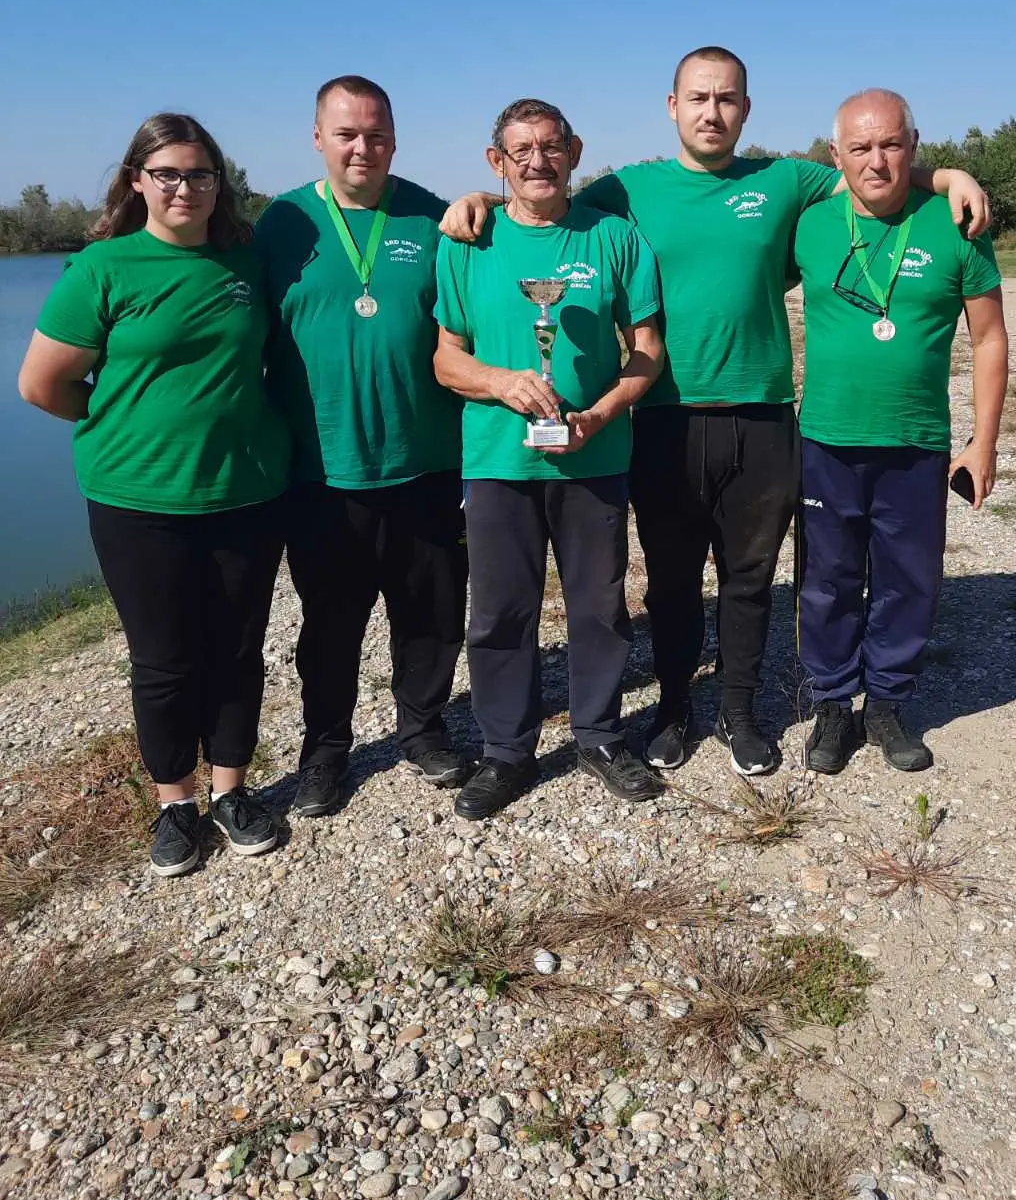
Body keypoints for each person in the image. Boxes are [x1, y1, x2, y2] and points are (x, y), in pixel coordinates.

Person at [441, 49, 990, 778]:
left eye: (727, 99)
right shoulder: (625, 192)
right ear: (672, 106)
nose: (712, 112)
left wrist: (948, 174)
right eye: (698, 98)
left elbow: (873, 172)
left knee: (750, 577)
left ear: (746, 109)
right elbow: (541, 201)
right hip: (666, 414)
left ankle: (740, 712)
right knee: (670, 578)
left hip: (762, 414)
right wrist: (474, 198)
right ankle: (673, 708)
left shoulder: (785, 180)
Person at [18, 114, 290, 877]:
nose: (183, 188)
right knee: (165, 661)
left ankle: (232, 791)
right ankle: (176, 805)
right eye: (166, 173)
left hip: (246, 490)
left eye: (199, 174)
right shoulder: (103, 267)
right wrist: (120, 425)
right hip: (138, 501)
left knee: (239, 651)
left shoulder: (244, 264)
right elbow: (42, 385)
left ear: (218, 186)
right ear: (136, 180)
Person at [433, 98, 665, 820]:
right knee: (501, 612)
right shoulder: (469, 241)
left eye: (552, 146)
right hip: (499, 462)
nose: (539, 160)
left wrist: (598, 413)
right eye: (521, 150)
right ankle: (506, 752)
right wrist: (502, 383)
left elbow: (649, 352)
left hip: (593, 459)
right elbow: (445, 361)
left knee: (599, 607)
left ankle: (598, 736)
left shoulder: (616, 239)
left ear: (574, 150)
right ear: (496, 163)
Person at [254, 76, 468, 817]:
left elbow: (499, 259)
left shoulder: (433, 216)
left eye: (376, 134)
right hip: (321, 469)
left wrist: (491, 201)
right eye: (346, 133)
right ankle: (325, 751)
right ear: (318, 138)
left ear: (394, 141)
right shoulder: (280, 223)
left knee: (432, 614)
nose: (361, 148)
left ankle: (424, 729)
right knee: (331, 624)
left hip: (427, 459)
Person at [794, 89, 1009, 774]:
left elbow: (989, 340)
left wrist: (984, 440)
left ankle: (885, 701)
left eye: (891, 144)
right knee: (826, 579)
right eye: (860, 147)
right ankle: (832, 704)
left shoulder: (956, 225)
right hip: (826, 439)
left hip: (917, 442)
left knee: (908, 579)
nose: (877, 160)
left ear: (913, 146)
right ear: (837, 156)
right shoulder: (808, 223)